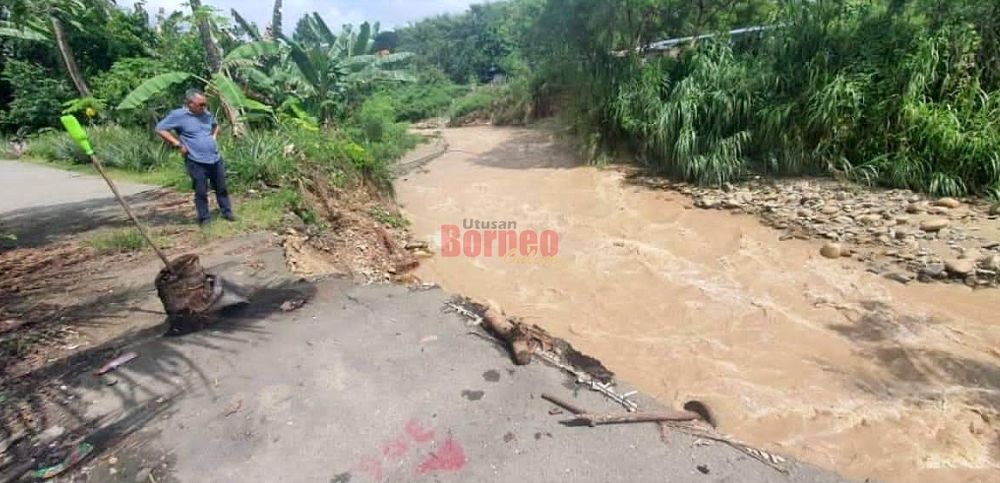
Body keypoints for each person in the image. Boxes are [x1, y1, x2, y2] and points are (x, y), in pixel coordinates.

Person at [156, 89, 234, 225]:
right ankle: (204, 218)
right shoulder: (178, 115)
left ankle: (227, 212)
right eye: (201, 105)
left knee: (221, 187)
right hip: (195, 160)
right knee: (201, 190)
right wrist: (177, 144)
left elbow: (215, 125)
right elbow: (160, 129)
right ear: (190, 104)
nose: (204, 107)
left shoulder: (206, 114)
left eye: (205, 104)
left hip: (214, 158)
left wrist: (213, 137)